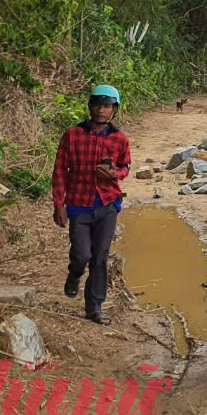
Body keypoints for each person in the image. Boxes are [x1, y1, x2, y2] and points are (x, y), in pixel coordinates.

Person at [51, 85, 131, 325]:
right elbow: (59, 170)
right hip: (78, 204)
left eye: (106, 106)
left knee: (100, 257)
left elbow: (126, 166)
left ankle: (94, 307)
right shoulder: (72, 135)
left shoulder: (119, 139)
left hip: (107, 204)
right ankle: (74, 274)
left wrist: (114, 174)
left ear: (114, 110)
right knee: (82, 254)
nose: (101, 110)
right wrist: (58, 204)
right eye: (97, 105)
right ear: (90, 107)